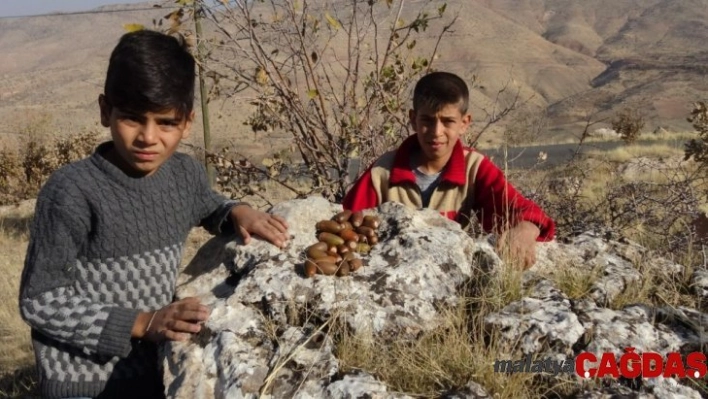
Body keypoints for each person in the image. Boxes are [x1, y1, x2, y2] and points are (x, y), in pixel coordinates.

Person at [18, 30, 289, 399]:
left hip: (158, 370)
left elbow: (207, 205)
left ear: (187, 122)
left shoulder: (184, 174)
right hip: (82, 383)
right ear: (104, 111)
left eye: (166, 123)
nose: (148, 137)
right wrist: (143, 323)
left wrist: (237, 211)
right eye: (132, 118)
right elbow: (40, 299)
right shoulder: (72, 192)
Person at [342, 71, 555, 268]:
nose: (436, 132)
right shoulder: (383, 171)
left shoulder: (474, 167)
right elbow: (348, 221)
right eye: (427, 120)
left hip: (449, 276)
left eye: (448, 121)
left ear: (464, 123)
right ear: (412, 120)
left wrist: (525, 230)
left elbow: (518, 209)